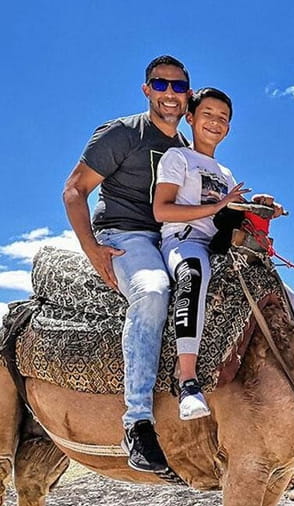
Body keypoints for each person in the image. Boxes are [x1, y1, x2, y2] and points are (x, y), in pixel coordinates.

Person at [63, 55, 192, 475]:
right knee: (153, 291)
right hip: (124, 235)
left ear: (187, 94)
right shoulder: (123, 133)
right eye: (161, 85)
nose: (169, 94)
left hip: (170, 237)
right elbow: (74, 190)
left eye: (178, 86)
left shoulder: (184, 150)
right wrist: (92, 249)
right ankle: (137, 422)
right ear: (147, 89)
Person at [153, 87, 250, 420]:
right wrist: (220, 204)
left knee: (281, 292)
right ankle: (188, 379)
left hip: (218, 248)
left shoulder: (227, 175)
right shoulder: (177, 158)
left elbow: (231, 219)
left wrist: (259, 209)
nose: (215, 122)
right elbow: (161, 210)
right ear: (191, 118)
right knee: (193, 274)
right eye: (208, 114)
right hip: (183, 241)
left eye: (223, 118)